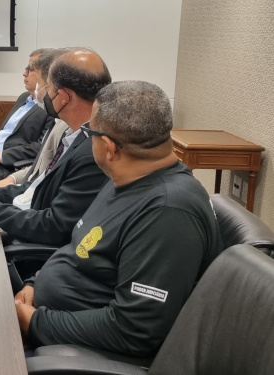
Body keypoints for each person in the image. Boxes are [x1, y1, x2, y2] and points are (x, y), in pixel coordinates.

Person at [14, 81, 223, 357]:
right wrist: (34, 284)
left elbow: (133, 329)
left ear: (110, 147)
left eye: (89, 132)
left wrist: (33, 322)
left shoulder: (167, 212)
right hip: (48, 319)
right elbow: (80, 247)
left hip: (78, 354)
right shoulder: (125, 177)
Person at [0, 49, 110, 246]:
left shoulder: (93, 151)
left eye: (47, 87)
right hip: (23, 221)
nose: (42, 95)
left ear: (64, 97)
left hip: (32, 249)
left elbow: (55, 227)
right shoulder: (73, 136)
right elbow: (38, 191)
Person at [0, 49, 54, 185]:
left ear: (47, 74)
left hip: (7, 167)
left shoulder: (51, 107)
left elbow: (42, 147)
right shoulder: (24, 98)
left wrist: (1, 156)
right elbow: (3, 131)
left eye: (30, 69)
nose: (24, 74)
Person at [0, 48, 70, 188]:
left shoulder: (65, 125)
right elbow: (41, 166)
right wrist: (13, 179)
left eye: (41, 84)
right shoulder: (59, 122)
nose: (24, 74)